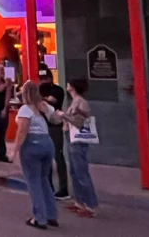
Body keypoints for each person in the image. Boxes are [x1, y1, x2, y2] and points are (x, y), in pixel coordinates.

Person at [14, 80, 62, 229]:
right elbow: (57, 120)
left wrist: (14, 151)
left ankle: (39, 218)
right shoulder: (44, 106)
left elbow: (23, 130)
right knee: (44, 180)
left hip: (32, 144)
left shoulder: (25, 109)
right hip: (47, 143)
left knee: (34, 182)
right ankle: (51, 215)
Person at [62, 78, 98, 218]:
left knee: (81, 172)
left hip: (78, 140)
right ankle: (79, 202)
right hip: (71, 138)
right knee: (74, 171)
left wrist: (64, 116)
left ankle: (90, 205)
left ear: (73, 87)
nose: (67, 85)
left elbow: (78, 122)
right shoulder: (75, 101)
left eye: (69, 83)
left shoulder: (81, 102)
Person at [39, 70, 69, 199]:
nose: (43, 81)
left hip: (55, 126)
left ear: (50, 78)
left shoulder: (57, 90)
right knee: (46, 157)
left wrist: (38, 97)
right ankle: (48, 186)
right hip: (43, 126)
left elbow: (52, 101)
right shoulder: (40, 90)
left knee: (58, 156)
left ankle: (63, 188)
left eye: (45, 78)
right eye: (41, 79)